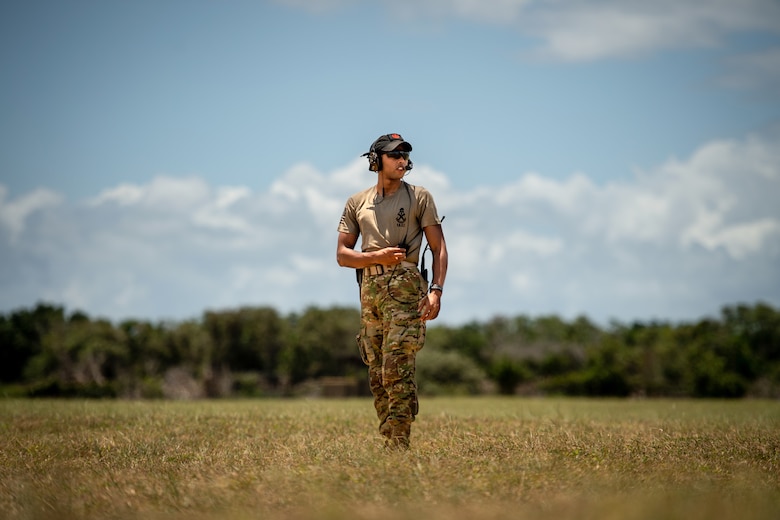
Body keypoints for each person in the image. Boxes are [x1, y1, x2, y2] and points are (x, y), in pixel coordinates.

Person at [337, 133, 448, 450]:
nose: (402, 160)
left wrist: (436, 291)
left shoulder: (419, 197)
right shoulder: (356, 202)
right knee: (376, 372)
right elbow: (343, 255)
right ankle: (390, 436)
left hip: (405, 286)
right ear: (376, 160)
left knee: (396, 368)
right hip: (369, 289)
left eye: (405, 154)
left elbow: (439, 249)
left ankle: (399, 442)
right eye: (393, 154)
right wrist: (375, 257)